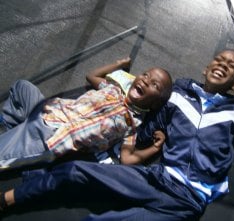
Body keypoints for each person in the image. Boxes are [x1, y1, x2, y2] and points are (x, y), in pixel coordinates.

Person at [0, 50, 234, 220]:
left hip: (188, 200)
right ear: (207, 68)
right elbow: (143, 120)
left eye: (231, 67)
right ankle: (8, 199)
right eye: (219, 60)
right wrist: (125, 141)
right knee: (74, 170)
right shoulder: (178, 94)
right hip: (158, 178)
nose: (223, 65)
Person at [0, 57, 172, 171]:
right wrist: (118, 64)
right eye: (145, 75)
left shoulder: (132, 124)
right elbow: (91, 76)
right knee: (22, 87)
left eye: (154, 85)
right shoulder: (113, 89)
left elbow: (127, 158)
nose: (145, 80)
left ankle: (16, 136)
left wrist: (155, 148)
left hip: (52, 137)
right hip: (48, 110)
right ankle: (13, 130)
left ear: (155, 103)